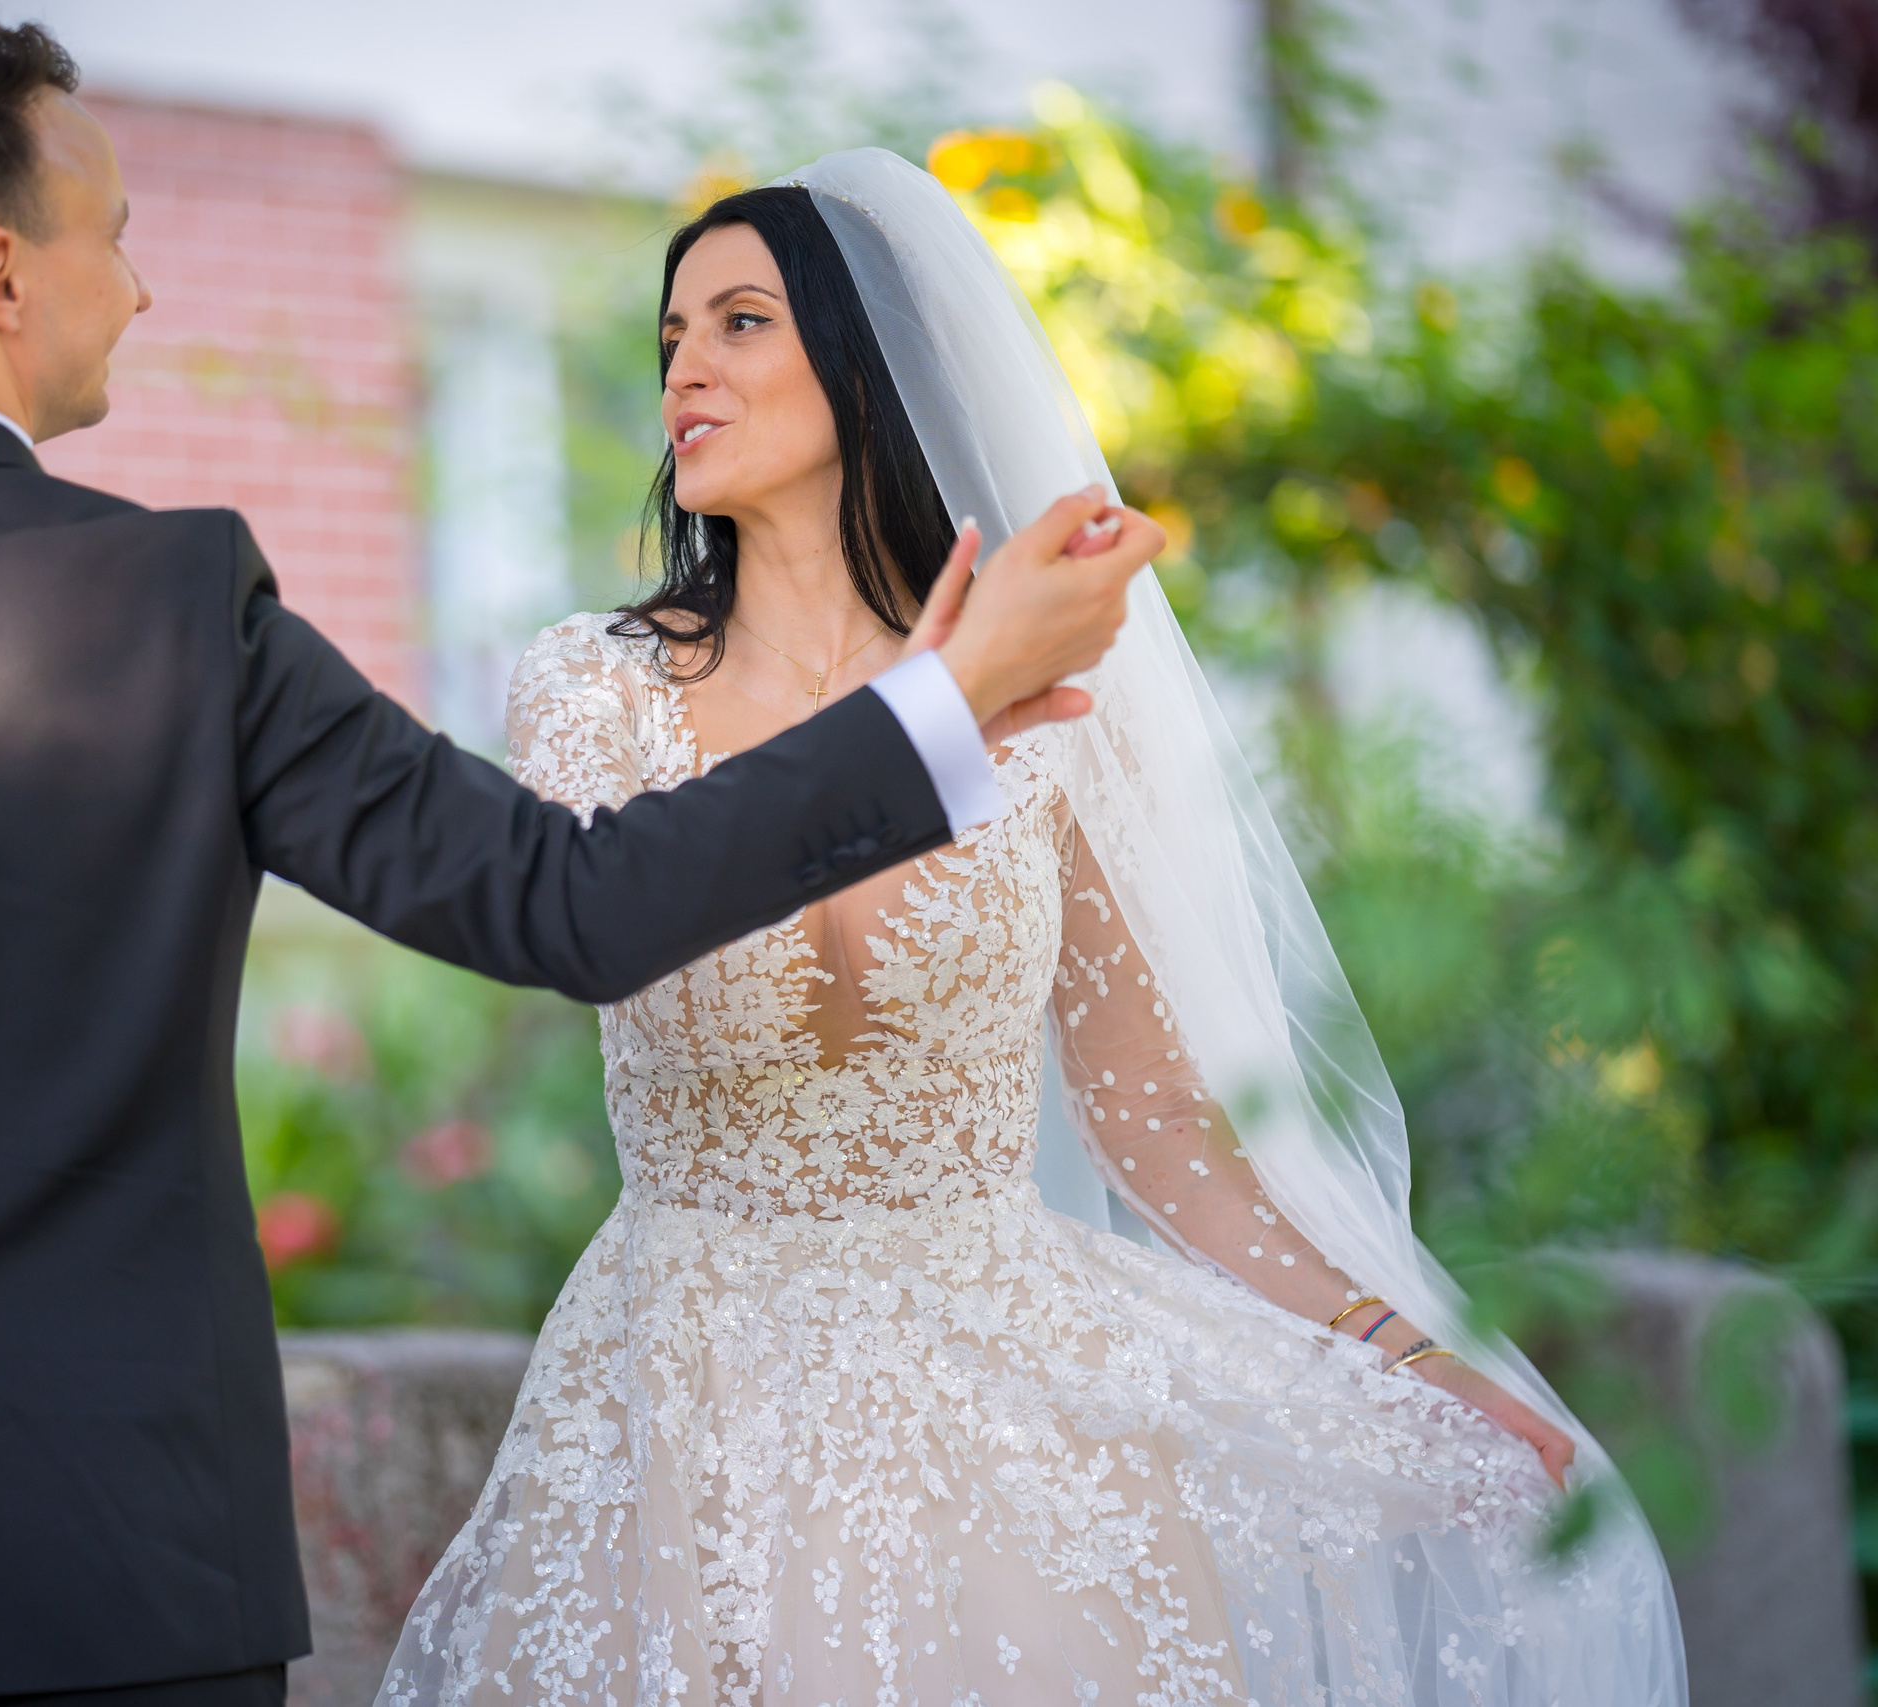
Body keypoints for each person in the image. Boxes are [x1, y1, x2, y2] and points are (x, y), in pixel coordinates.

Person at [0, 28, 1159, 1707]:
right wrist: (947, 703)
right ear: (3, 276)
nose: (139, 289)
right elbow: (573, 902)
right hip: (121, 1595)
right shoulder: (177, 608)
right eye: (112, 235)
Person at [378, 155, 1687, 1707]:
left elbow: (1163, 1131)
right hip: (683, 1401)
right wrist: (923, 724)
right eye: (671, 337)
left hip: (1010, 1415)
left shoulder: (1058, 703)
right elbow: (615, 920)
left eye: (739, 323)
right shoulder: (586, 686)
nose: (685, 372)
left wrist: (1405, 1352)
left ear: (864, 362)